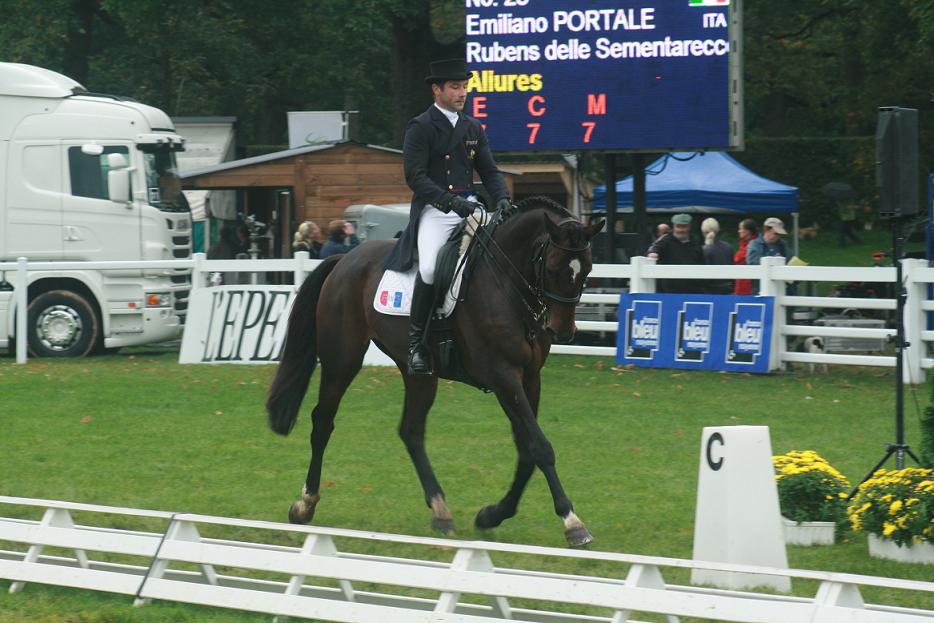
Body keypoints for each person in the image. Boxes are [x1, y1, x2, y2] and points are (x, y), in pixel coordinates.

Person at [382, 58, 511, 375]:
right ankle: (416, 346)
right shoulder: (421, 126)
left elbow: (490, 171)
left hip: (471, 207)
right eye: (455, 86)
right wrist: (451, 203)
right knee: (428, 268)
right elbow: (415, 177)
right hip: (436, 211)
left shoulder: (472, 127)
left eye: (464, 86)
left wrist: (504, 199)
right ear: (437, 89)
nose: (462, 92)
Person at [646, 213, 704, 293]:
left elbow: (702, 262)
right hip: (668, 289)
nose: (680, 230)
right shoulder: (665, 239)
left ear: (689, 227)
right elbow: (653, 249)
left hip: (691, 289)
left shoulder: (695, 242)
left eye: (683, 227)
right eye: (678, 226)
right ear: (673, 227)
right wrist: (653, 253)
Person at [700, 217, 733, 294]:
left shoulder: (704, 250)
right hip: (727, 288)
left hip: (710, 290)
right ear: (718, 230)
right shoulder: (728, 247)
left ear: (703, 232)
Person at [733, 218, 758, 295]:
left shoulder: (754, 245)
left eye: (741, 229)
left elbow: (738, 259)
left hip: (748, 286)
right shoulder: (743, 244)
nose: (739, 231)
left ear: (747, 231)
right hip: (741, 284)